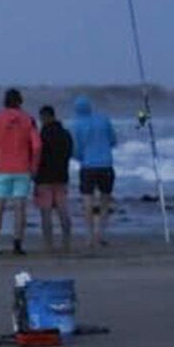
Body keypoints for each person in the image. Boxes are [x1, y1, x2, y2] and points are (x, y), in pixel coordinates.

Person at [0, 87, 40, 256]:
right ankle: (17, 244)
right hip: (22, 168)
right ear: (20, 101)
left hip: (1, 168)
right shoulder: (28, 119)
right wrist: (33, 166)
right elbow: (37, 146)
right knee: (19, 208)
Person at [69, 94, 119, 248]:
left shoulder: (75, 124)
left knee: (87, 201)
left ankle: (89, 236)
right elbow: (113, 140)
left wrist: (81, 158)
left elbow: (74, 149)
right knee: (105, 201)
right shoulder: (103, 119)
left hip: (88, 166)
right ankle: (100, 234)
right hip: (106, 164)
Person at [33, 103, 74, 255]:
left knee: (46, 212)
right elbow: (70, 153)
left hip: (44, 178)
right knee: (63, 210)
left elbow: (37, 155)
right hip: (61, 176)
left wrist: (34, 173)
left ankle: (48, 245)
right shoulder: (65, 134)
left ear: (45, 117)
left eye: (41, 118)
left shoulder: (42, 135)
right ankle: (66, 243)